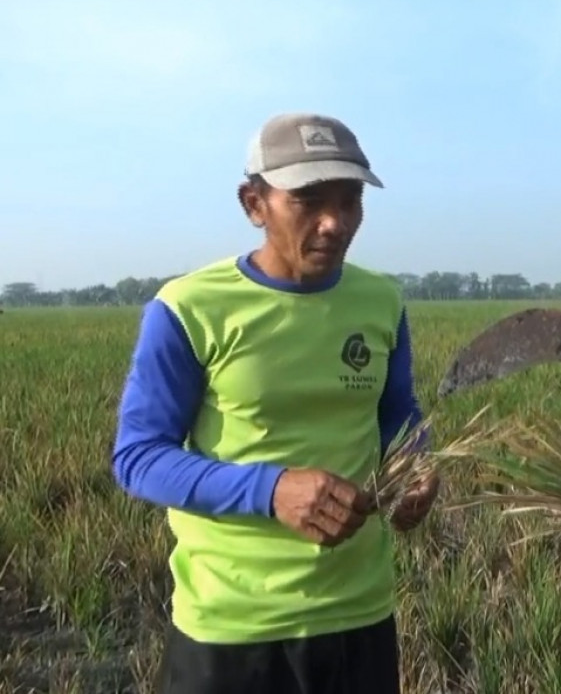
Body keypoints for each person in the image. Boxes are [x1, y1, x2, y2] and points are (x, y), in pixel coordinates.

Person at [111, 112, 439, 694]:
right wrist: (271, 490)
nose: (335, 222)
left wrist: (416, 461)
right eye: (308, 200)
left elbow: (397, 413)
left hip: (358, 614)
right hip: (232, 627)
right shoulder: (189, 308)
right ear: (254, 205)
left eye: (351, 200)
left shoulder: (381, 302)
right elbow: (139, 457)